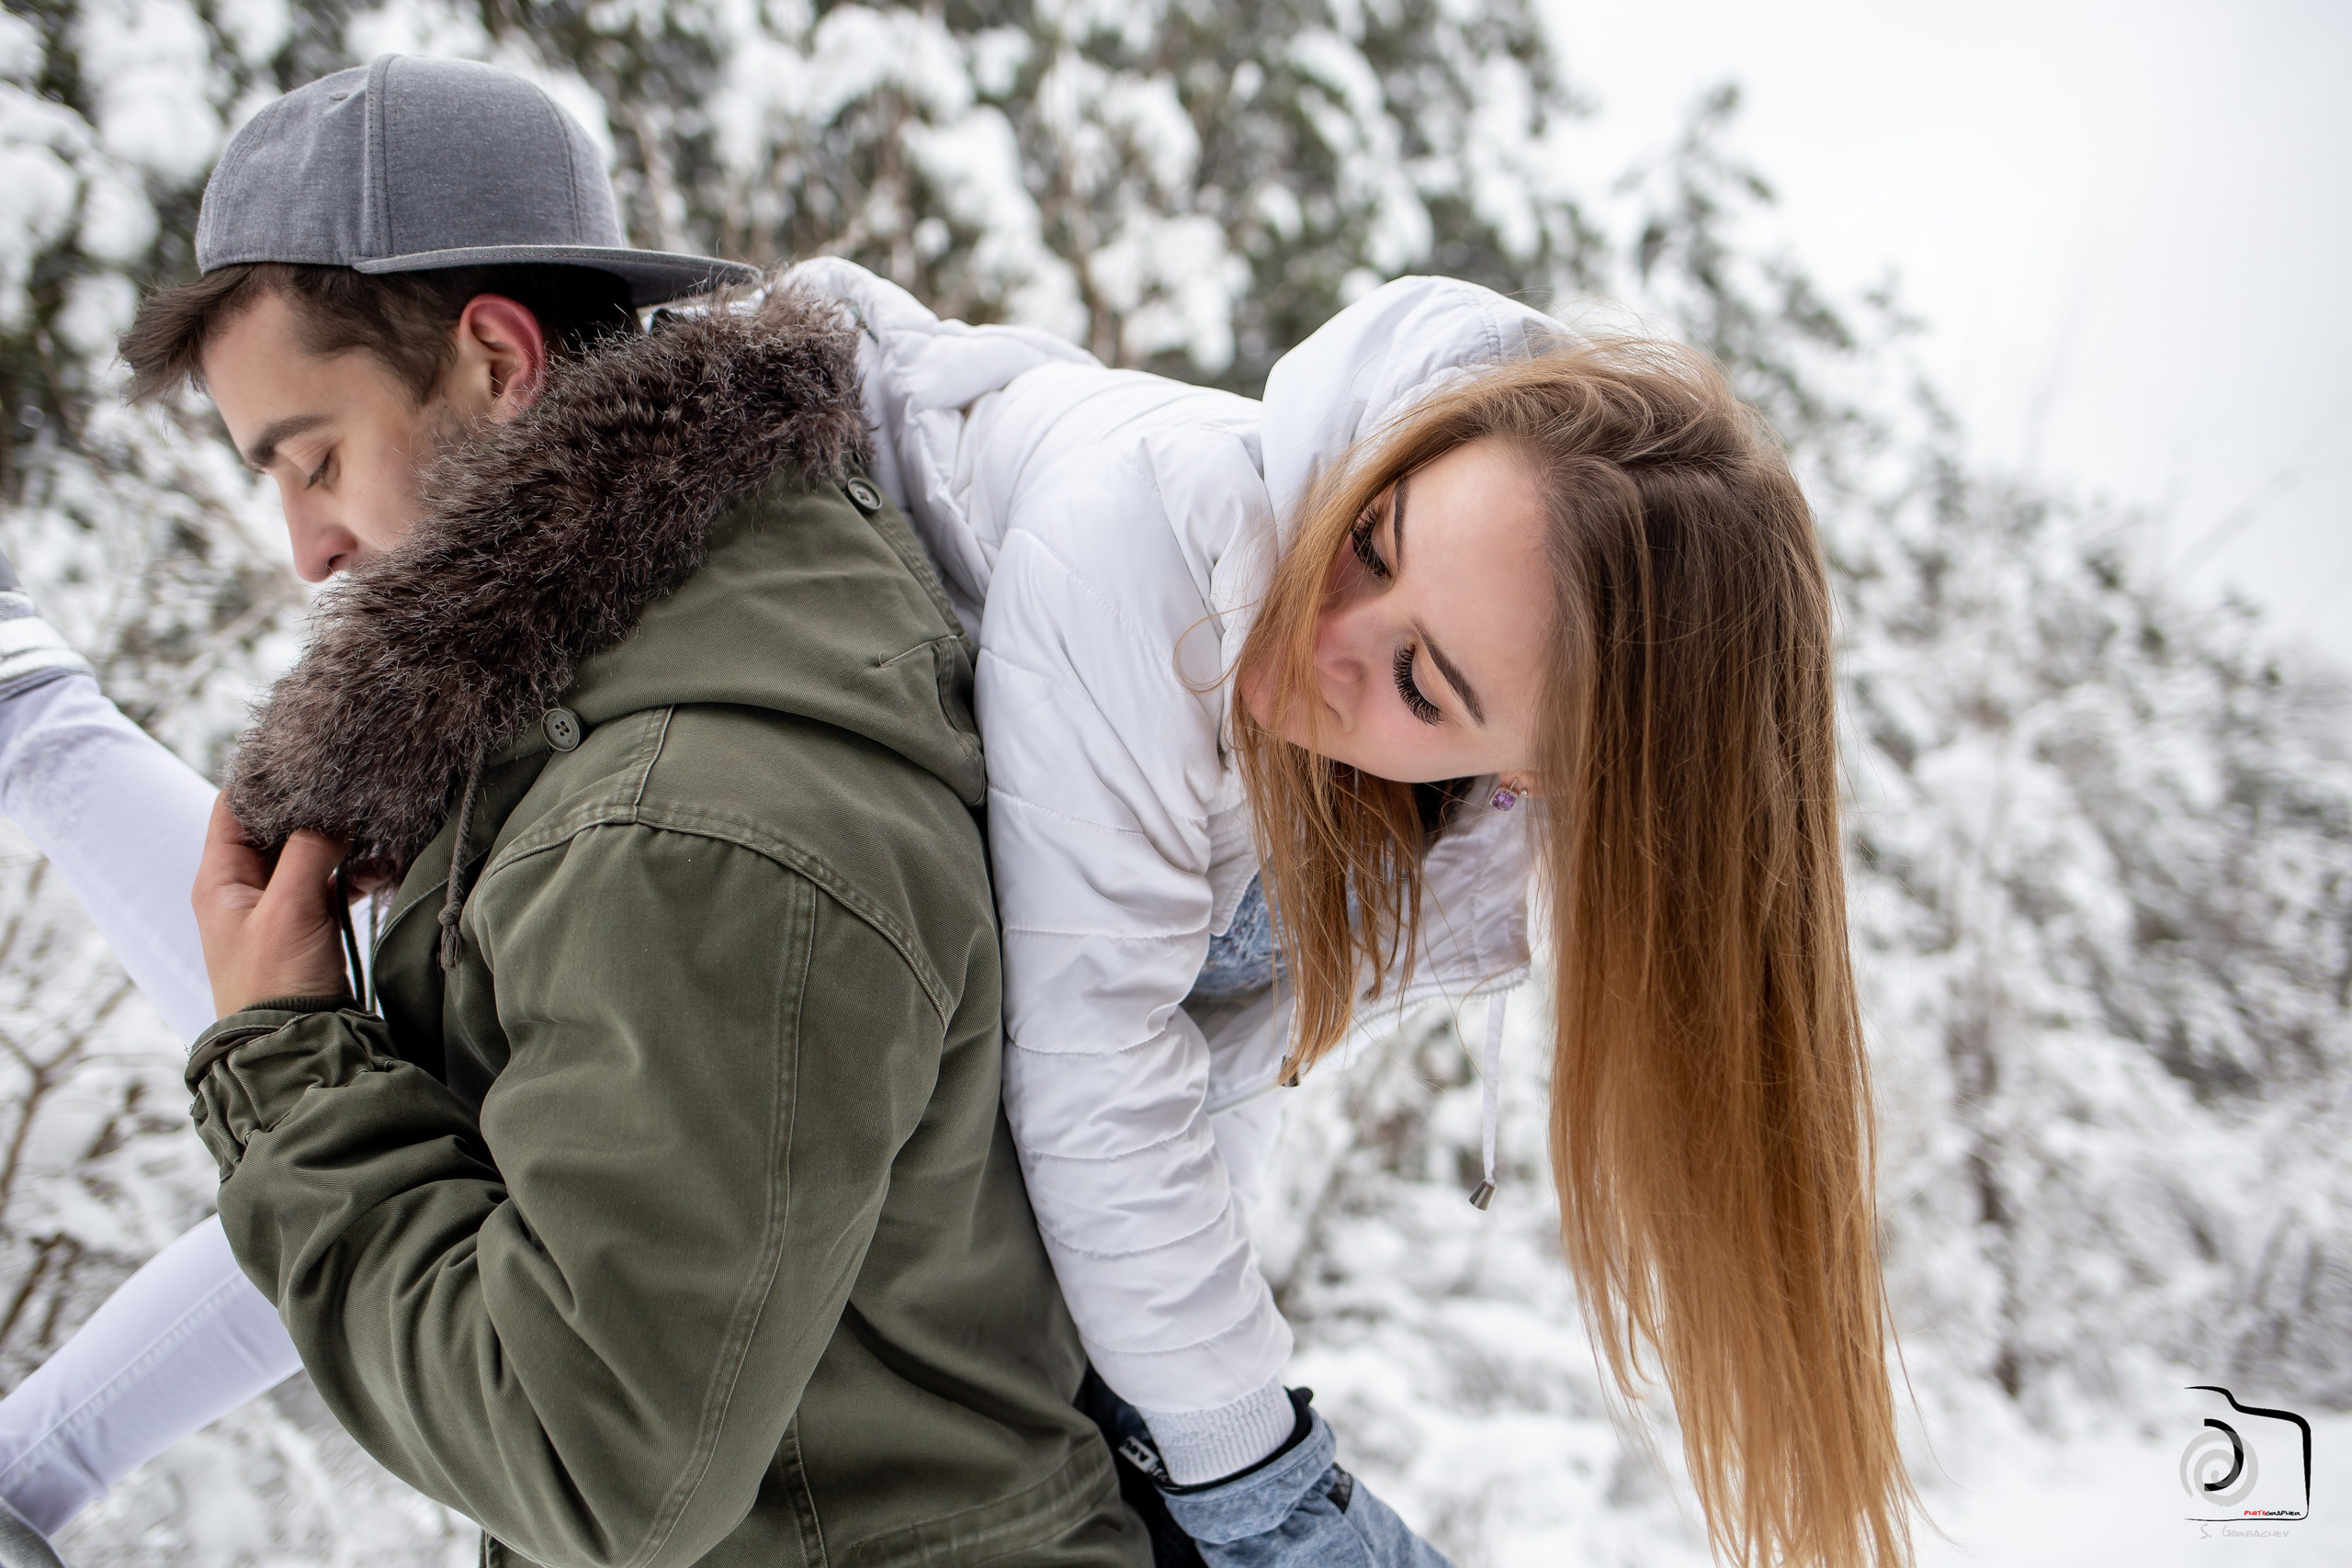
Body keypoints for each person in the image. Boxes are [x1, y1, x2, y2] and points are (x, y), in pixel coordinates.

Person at [1, 63, 1921, 1568]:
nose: (1317, 636)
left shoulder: (1461, 843)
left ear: (1532, 778)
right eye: (1372, 540)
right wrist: (1247, 1480)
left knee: (353, 1062)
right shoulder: (1150, 546)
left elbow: (1163, 1085)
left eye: (1424, 681)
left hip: (851, 1092)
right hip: (793, 906)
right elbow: (1090, 1077)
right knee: (342, 1055)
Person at [0, 55, 1145, 1568]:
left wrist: (283, 1068)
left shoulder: (692, 825)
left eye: (316, 458)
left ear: (493, 359)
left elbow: (586, 1456)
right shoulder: (656, 641)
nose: (305, 549)